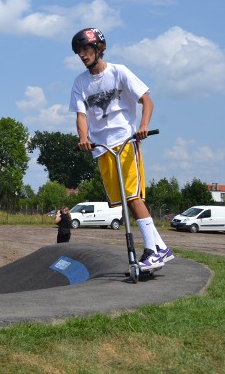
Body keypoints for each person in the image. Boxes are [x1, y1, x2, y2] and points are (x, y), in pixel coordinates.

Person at [69, 27, 174, 271]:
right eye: (78, 52)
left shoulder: (119, 72)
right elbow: (81, 115)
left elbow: (147, 100)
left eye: (86, 50)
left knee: (133, 196)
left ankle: (153, 250)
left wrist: (143, 125)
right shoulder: (80, 82)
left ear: (99, 49)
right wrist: (83, 137)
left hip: (125, 141)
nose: (82, 55)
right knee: (124, 202)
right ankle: (158, 248)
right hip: (102, 148)